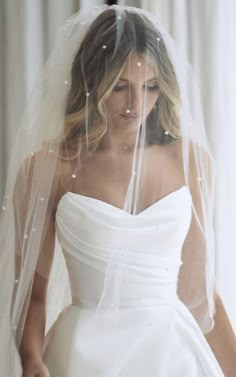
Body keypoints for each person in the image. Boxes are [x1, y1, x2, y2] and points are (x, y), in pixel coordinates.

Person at [0, 5, 235, 377]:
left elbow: (200, 296)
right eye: (121, 87)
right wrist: (31, 359)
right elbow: (34, 291)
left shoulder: (190, 161)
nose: (136, 105)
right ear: (92, 82)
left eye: (151, 87)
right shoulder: (48, 169)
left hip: (172, 354)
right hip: (84, 357)